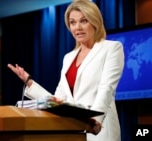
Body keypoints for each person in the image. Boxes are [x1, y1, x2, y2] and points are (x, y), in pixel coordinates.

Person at [7, 0, 124, 141]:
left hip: (99, 130)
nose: (77, 27)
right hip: (73, 130)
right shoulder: (68, 58)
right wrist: (30, 83)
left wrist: (95, 120)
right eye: (73, 22)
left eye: (84, 21)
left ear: (95, 22)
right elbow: (58, 101)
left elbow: (106, 88)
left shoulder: (111, 48)